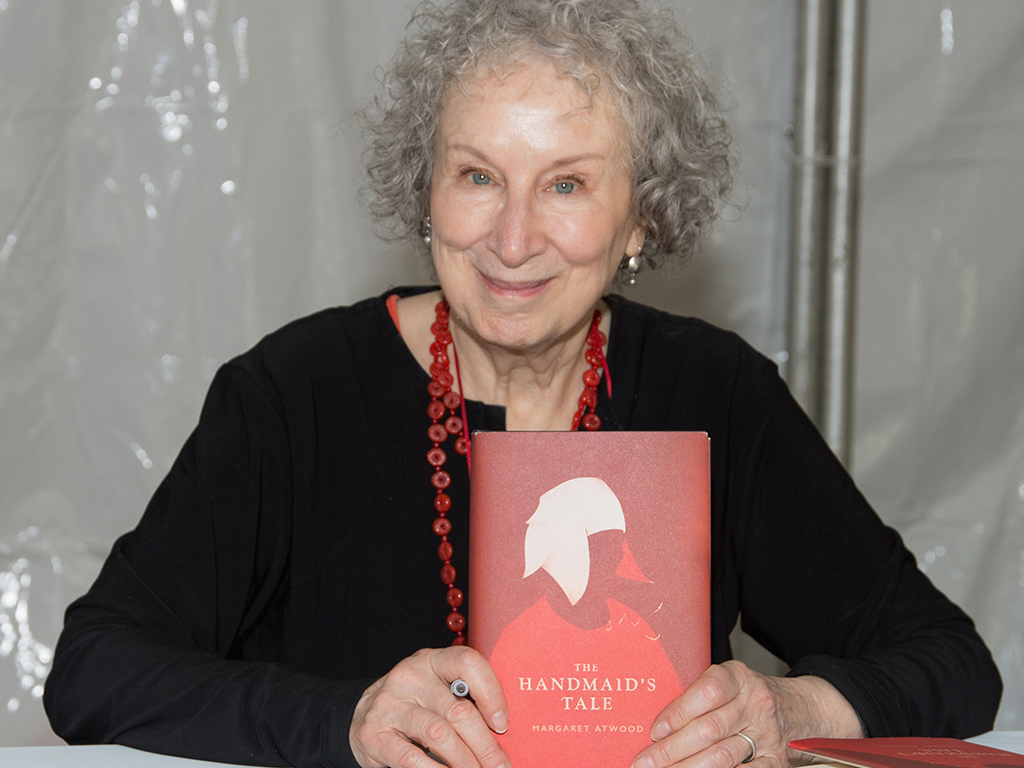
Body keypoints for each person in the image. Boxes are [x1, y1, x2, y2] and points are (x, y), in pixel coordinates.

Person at [44, 1, 1001, 767]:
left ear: (640, 222)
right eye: (477, 176)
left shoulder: (715, 395)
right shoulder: (291, 396)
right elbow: (95, 669)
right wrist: (343, 720)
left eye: (568, 185)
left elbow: (951, 664)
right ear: (426, 192)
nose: (511, 240)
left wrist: (788, 707)